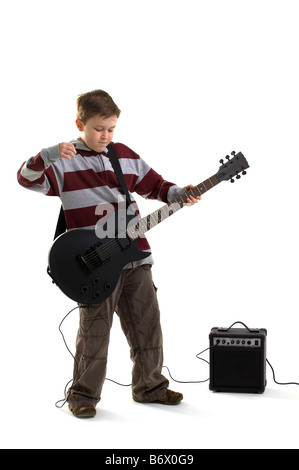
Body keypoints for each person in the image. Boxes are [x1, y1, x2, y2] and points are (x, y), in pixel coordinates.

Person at [17, 90, 201, 418]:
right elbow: (25, 179)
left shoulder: (123, 154)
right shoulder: (63, 159)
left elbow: (156, 186)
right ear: (80, 124)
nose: (106, 136)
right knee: (94, 331)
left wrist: (180, 193)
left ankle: (150, 387)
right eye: (99, 128)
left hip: (136, 256)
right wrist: (47, 155)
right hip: (95, 263)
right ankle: (83, 396)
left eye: (111, 129)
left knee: (148, 323)